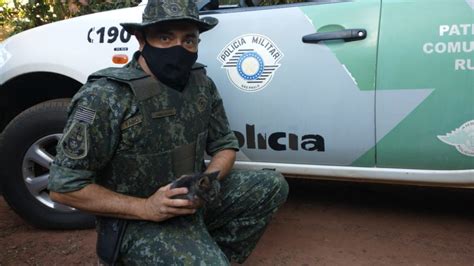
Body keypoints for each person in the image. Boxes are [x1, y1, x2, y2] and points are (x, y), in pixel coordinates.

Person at [48, 0, 289, 264]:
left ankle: (212, 255)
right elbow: (64, 188)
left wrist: (204, 184)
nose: (179, 48)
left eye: (189, 40)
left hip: (190, 201)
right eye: (165, 37)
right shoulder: (105, 97)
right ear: (141, 40)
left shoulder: (201, 84)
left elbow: (225, 146)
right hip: (137, 218)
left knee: (271, 186)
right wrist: (146, 207)